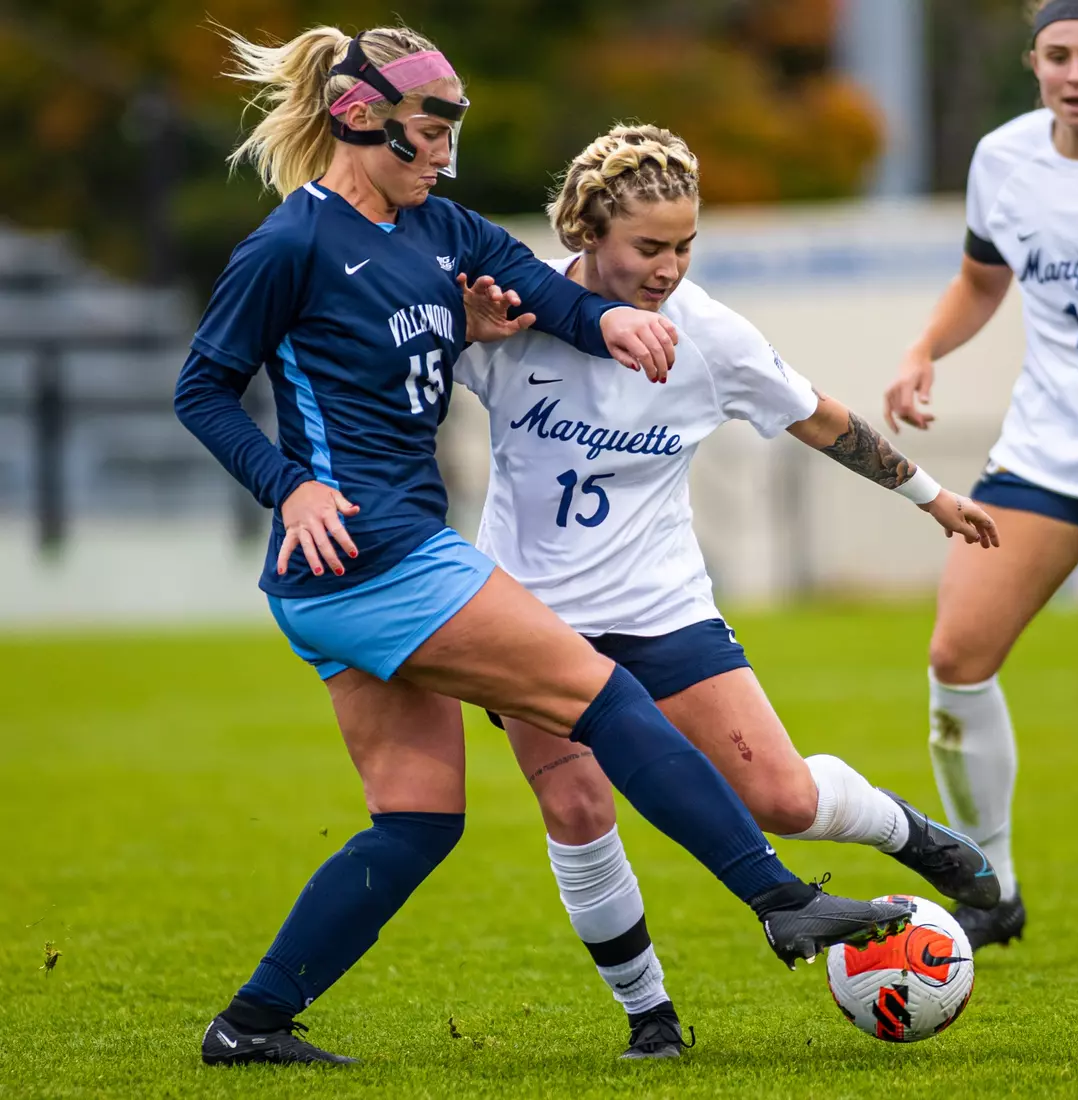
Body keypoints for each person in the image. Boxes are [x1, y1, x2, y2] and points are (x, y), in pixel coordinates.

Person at [173, 24, 914, 1067]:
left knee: (418, 819)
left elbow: (546, 287)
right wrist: (287, 486)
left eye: (450, 129)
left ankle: (248, 1024)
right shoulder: (291, 243)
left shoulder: (437, 228)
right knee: (599, 693)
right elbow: (199, 388)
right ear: (359, 115)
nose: (442, 148)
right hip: (371, 552)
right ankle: (778, 896)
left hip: (359, 566)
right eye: (431, 127)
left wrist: (606, 325)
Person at [454, 123, 1002, 1059]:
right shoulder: (508, 315)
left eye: (685, 245)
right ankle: (650, 1018)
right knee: (578, 812)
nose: (670, 268)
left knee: (781, 800)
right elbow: (389, 385)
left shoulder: (708, 334)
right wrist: (461, 330)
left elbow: (822, 419)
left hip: (664, 609)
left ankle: (912, 835)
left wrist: (933, 496)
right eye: (649, 247)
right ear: (587, 231)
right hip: (530, 616)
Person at [882, 0, 1078, 952]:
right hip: (1052, 449)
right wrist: (924, 349)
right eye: (1059, 56)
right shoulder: (1004, 159)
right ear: (1033, 63)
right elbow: (982, 280)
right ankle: (993, 882)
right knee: (956, 658)